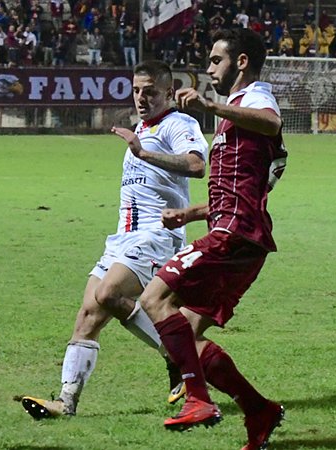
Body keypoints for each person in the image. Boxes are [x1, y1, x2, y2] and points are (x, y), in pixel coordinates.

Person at [18, 60, 208, 419]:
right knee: (88, 316)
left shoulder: (179, 123)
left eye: (150, 91)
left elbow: (197, 166)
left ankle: (177, 354)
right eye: (136, 90)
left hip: (157, 235)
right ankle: (65, 403)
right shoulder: (141, 128)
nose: (141, 97)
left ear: (168, 91)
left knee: (109, 294)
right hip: (122, 239)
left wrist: (143, 152)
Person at [138, 28, 287, 450]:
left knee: (153, 300)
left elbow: (272, 122)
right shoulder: (233, 117)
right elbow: (245, 188)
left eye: (215, 60)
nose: (208, 68)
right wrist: (191, 213)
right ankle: (259, 409)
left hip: (234, 234)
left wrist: (209, 104)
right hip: (238, 232)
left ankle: (199, 401)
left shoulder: (254, 97)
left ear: (240, 62)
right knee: (185, 330)